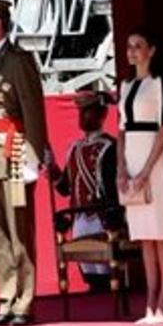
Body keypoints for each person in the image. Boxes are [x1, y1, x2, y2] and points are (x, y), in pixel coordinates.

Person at [0, 0, 49, 326]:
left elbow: (32, 108)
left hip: (14, 152)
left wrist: (37, 152)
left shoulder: (18, 61)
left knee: (19, 229)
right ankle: (6, 297)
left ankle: (24, 301)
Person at [117, 28, 163, 324]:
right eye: (129, 46)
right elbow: (120, 131)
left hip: (155, 161)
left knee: (162, 231)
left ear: (151, 50)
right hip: (131, 158)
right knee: (143, 234)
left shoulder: (160, 83)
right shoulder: (126, 85)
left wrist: (145, 170)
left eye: (138, 46)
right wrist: (121, 169)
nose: (132, 52)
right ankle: (151, 298)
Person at [49, 92, 119, 292]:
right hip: (79, 218)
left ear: (102, 115)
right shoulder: (74, 149)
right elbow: (64, 188)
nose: (83, 117)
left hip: (101, 217)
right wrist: (52, 168)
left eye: (88, 112)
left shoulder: (110, 147)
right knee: (90, 275)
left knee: (105, 273)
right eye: (82, 112)